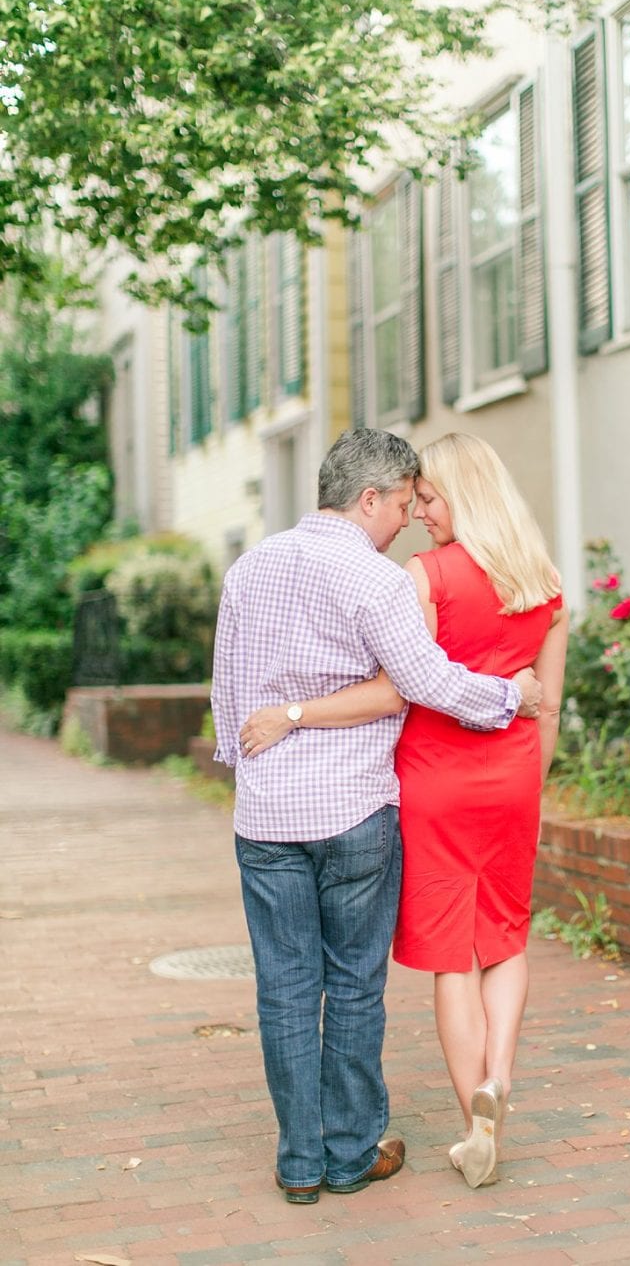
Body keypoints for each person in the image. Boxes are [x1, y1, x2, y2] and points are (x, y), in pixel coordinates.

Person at [211, 427, 541, 1205]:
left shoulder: (248, 567)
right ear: (368, 498)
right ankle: (352, 1152)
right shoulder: (376, 579)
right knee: (353, 986)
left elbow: (228, 694)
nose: (405, 518)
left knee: (284, 988)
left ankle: (299, 1165)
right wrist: (510, 698)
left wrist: (251, 764)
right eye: (400, 503)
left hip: (265, 816)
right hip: (353, 808)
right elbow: (426, 680)